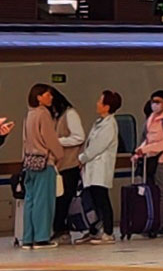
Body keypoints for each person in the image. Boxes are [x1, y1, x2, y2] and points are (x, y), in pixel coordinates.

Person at [19, 85, 62, 248]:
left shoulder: (29, 114)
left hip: (29, 163)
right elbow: (50, 138)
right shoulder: (44, 114)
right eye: (47, 95)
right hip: (44, 162)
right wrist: (59, 155)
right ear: (39, 97)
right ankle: (42, 237)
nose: (51, 98)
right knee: (44, 202)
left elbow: (24, 141)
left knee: (30, 200)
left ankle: (28, 237)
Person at [78, 93, 121, 240]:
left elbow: (97, 146)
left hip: (100, 169)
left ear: (107, 106)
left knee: (102, 200)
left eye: (100, 101)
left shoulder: (110, 125)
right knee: (93, 201)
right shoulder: (99, 122)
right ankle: (94, 229)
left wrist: (82, 158)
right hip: (92, 168)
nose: (97, 103)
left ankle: (108, 232)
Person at [48, 91, 85, 238]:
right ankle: (58, 228)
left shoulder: (70, 114)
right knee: (58, 199)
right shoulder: (55, 117)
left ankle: (62, 229)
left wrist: (57, 141)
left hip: (69, 165)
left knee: (64, 198)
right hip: (58, 165)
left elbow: (79, 137)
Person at [139, 91, 163, 230]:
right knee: (154, 192)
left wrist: (146, 149)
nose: (154, 104)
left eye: (158, 101)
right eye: (153, 101)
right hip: (151, 158)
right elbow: (147, 138)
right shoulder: (152, 118)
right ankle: (153, 222)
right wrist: (139, 151)